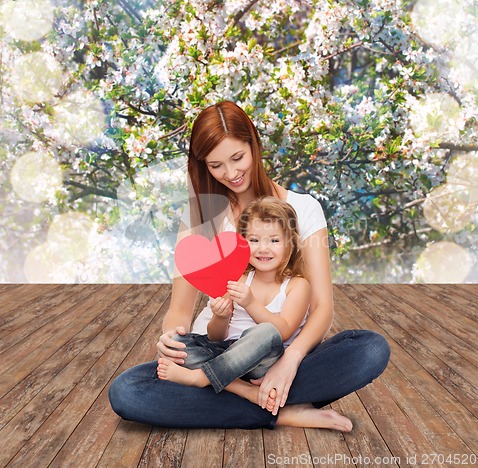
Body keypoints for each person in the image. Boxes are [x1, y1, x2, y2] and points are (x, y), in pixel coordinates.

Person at [109, 100, 391, 431]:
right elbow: (179, 311)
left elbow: (323, 310)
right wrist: (171, 337)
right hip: (214, 352)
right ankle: (279, 410)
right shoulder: (199, 218)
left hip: (281, 355)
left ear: (253, 145)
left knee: (370, 349)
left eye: (237, 158)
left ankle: (253, 395)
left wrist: (288, 362)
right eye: (215, 165)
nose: (230, 173)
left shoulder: (304, 209)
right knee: (127, 391)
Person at [156, 197, 310, 413]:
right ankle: (241, 389)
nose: (263, 249)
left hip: (263, 362)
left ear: (290, 243)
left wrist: (250, 302)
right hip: (225, 354)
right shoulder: (238, 278)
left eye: (274, 241)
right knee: (176, 342)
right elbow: (216, 338)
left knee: (265, 332)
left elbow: (282, 332)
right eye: (254, 240)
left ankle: (201, 378)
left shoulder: (296, 285)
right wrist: (220, 317)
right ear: (243, 241)